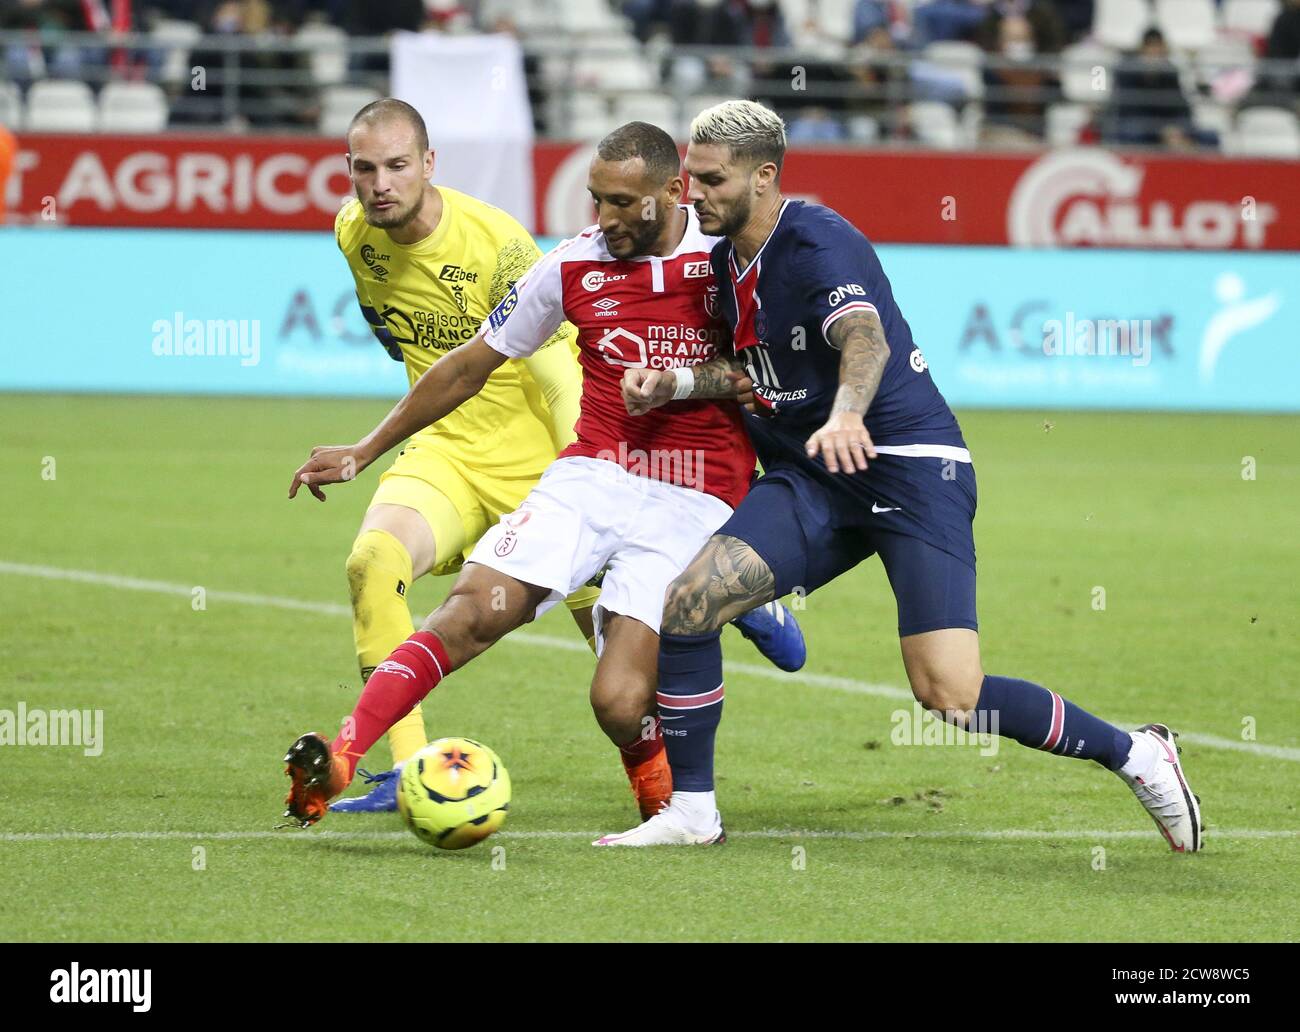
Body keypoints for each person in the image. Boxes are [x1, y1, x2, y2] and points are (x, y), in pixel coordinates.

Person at [595, 100, 1203, 852]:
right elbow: (755, 372)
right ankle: (692, 812)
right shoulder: (725, 266)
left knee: (949, 693)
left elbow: (864, 337)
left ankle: (1138, 753)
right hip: (817, 474)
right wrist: (676, 384)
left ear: (764, 176)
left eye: (712, 180)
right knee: (688, 602)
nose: (694, 194)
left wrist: (849, 412)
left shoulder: (817, 241)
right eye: (691, 178)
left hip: (910, 469)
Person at [280, 120, 806, 828]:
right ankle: (344, 755)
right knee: (469, 614)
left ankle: (679, 766)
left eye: (625, 204)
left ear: (673, 192)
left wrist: (686, 388)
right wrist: (363, 450)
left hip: (696, 490)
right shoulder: (571, 265)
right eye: (597, 200)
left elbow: (773, 372)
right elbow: (471, 365)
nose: (607, 220)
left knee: (617, 700)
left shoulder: (730, 259)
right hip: (593, 473)